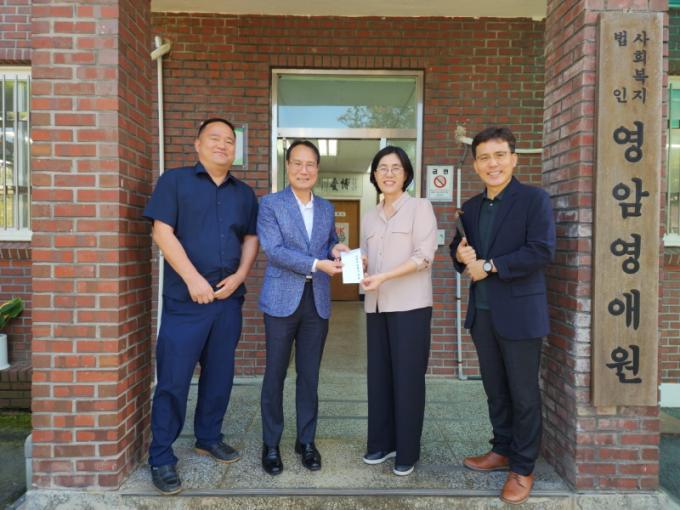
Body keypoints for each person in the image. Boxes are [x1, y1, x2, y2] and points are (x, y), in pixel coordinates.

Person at [143, 118, 259, 495]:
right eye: (214, 138)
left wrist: (240, 276)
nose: (223, 145)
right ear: (197, 144)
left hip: (227, 302)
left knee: (219, 376)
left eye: (229, 141)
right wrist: (193, 279)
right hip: (185, 302)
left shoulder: (244, 193)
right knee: (173, 380)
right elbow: (161, 232)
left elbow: (251, 238)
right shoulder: (174, 181)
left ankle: (208, 437)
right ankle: (161, 455)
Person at [449, 126, 555, 505]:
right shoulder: (472, 207)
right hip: (482, 315)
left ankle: (522, 467)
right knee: (495, 389)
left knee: (523, 394)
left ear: (514, 159)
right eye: (484, 158)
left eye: (499, 156)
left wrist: (491, 266)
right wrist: (460, 255)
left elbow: (541, 251)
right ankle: (502, 449)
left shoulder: (533, 200)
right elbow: (459, 248)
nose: (492, 164)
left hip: (521, 314)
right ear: (475, 165)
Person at [258, 140, 348, 475]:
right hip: (281, 300)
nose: (304, 170)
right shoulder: (270, 204)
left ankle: (306, 441)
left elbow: (328, 243)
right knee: (275, 374)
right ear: (288, 166)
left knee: (309, 376)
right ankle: (271, 444)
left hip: (317, 302)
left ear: (318, 169)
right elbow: (274, 250)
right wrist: (316, 264)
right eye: (297, 163)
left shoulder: (326, 207)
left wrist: (336, 249)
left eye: (310, 164)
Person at [360, 146, 437, 476]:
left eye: (395, 167)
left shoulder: (420, 207)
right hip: (376, 306)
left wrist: (384, 276)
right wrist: (359, 263)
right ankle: (381, 443)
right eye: (382, 168)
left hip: (411, 306)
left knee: (407, 378)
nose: (388, 173)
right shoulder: (369, 216)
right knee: (379, 378)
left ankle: (407, 450)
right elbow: (366, 257)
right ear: (374, 175)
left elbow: (424, 256)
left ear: (406, 174)